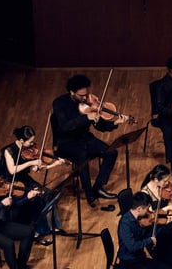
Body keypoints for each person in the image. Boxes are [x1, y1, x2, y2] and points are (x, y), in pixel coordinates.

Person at [51, 74, 129, 211]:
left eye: (86, 94)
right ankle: (88, 193)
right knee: (82, 156)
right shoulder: (59, 103)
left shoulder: (89, 102)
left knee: (112, 152)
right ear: (72, 93)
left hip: (85, 137)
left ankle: (97, 188)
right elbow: (65, 126)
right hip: (65, 142)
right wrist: (86, 117)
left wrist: (115, 123)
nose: (85, 98)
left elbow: (99, 126)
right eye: (81, 96)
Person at [1, 125, 66, 244]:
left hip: (25, 179)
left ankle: (53, 226)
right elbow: (12, 170)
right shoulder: (9, 151)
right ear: (21, 141)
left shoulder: (28, 150)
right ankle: (38, 231)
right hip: (12, 183)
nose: (32, 144)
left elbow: (36, 168)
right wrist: (31, 162)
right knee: (35, 199)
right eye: (30, 141)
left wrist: (52, 164)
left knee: (48, 194)